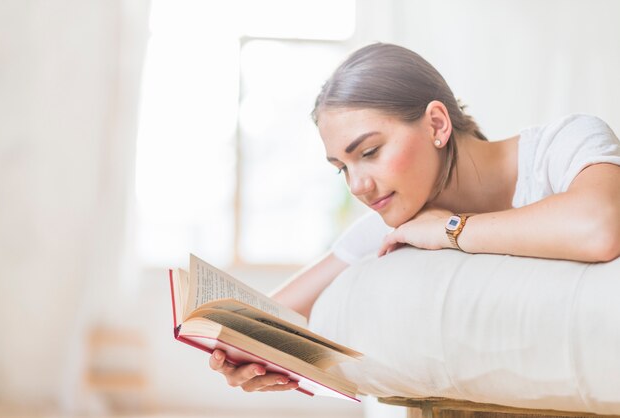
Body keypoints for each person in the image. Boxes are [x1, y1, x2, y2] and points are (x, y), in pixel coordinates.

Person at [208, 43, 620, 393]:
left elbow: (599, 228)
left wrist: (449, 228)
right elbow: (265, 321)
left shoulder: (564, 144)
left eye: (369, 153)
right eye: (342, 167)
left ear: (437, 124)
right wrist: (247, 355)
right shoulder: (399, 218)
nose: (356, 185)